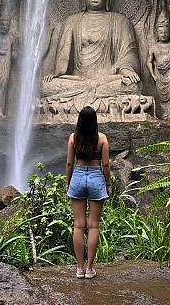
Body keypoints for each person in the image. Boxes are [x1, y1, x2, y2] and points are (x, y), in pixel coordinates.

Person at [66, 105, 111, 279]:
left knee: (78, 224)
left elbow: (70, 164)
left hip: (78, 175)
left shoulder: (73, 138)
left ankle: (79, 268)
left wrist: (68, 182)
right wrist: (108, 183)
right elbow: (106, 165)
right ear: (95, 121)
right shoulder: (102, 139)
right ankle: (90, 269)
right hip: (95, 177)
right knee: (93, 225)